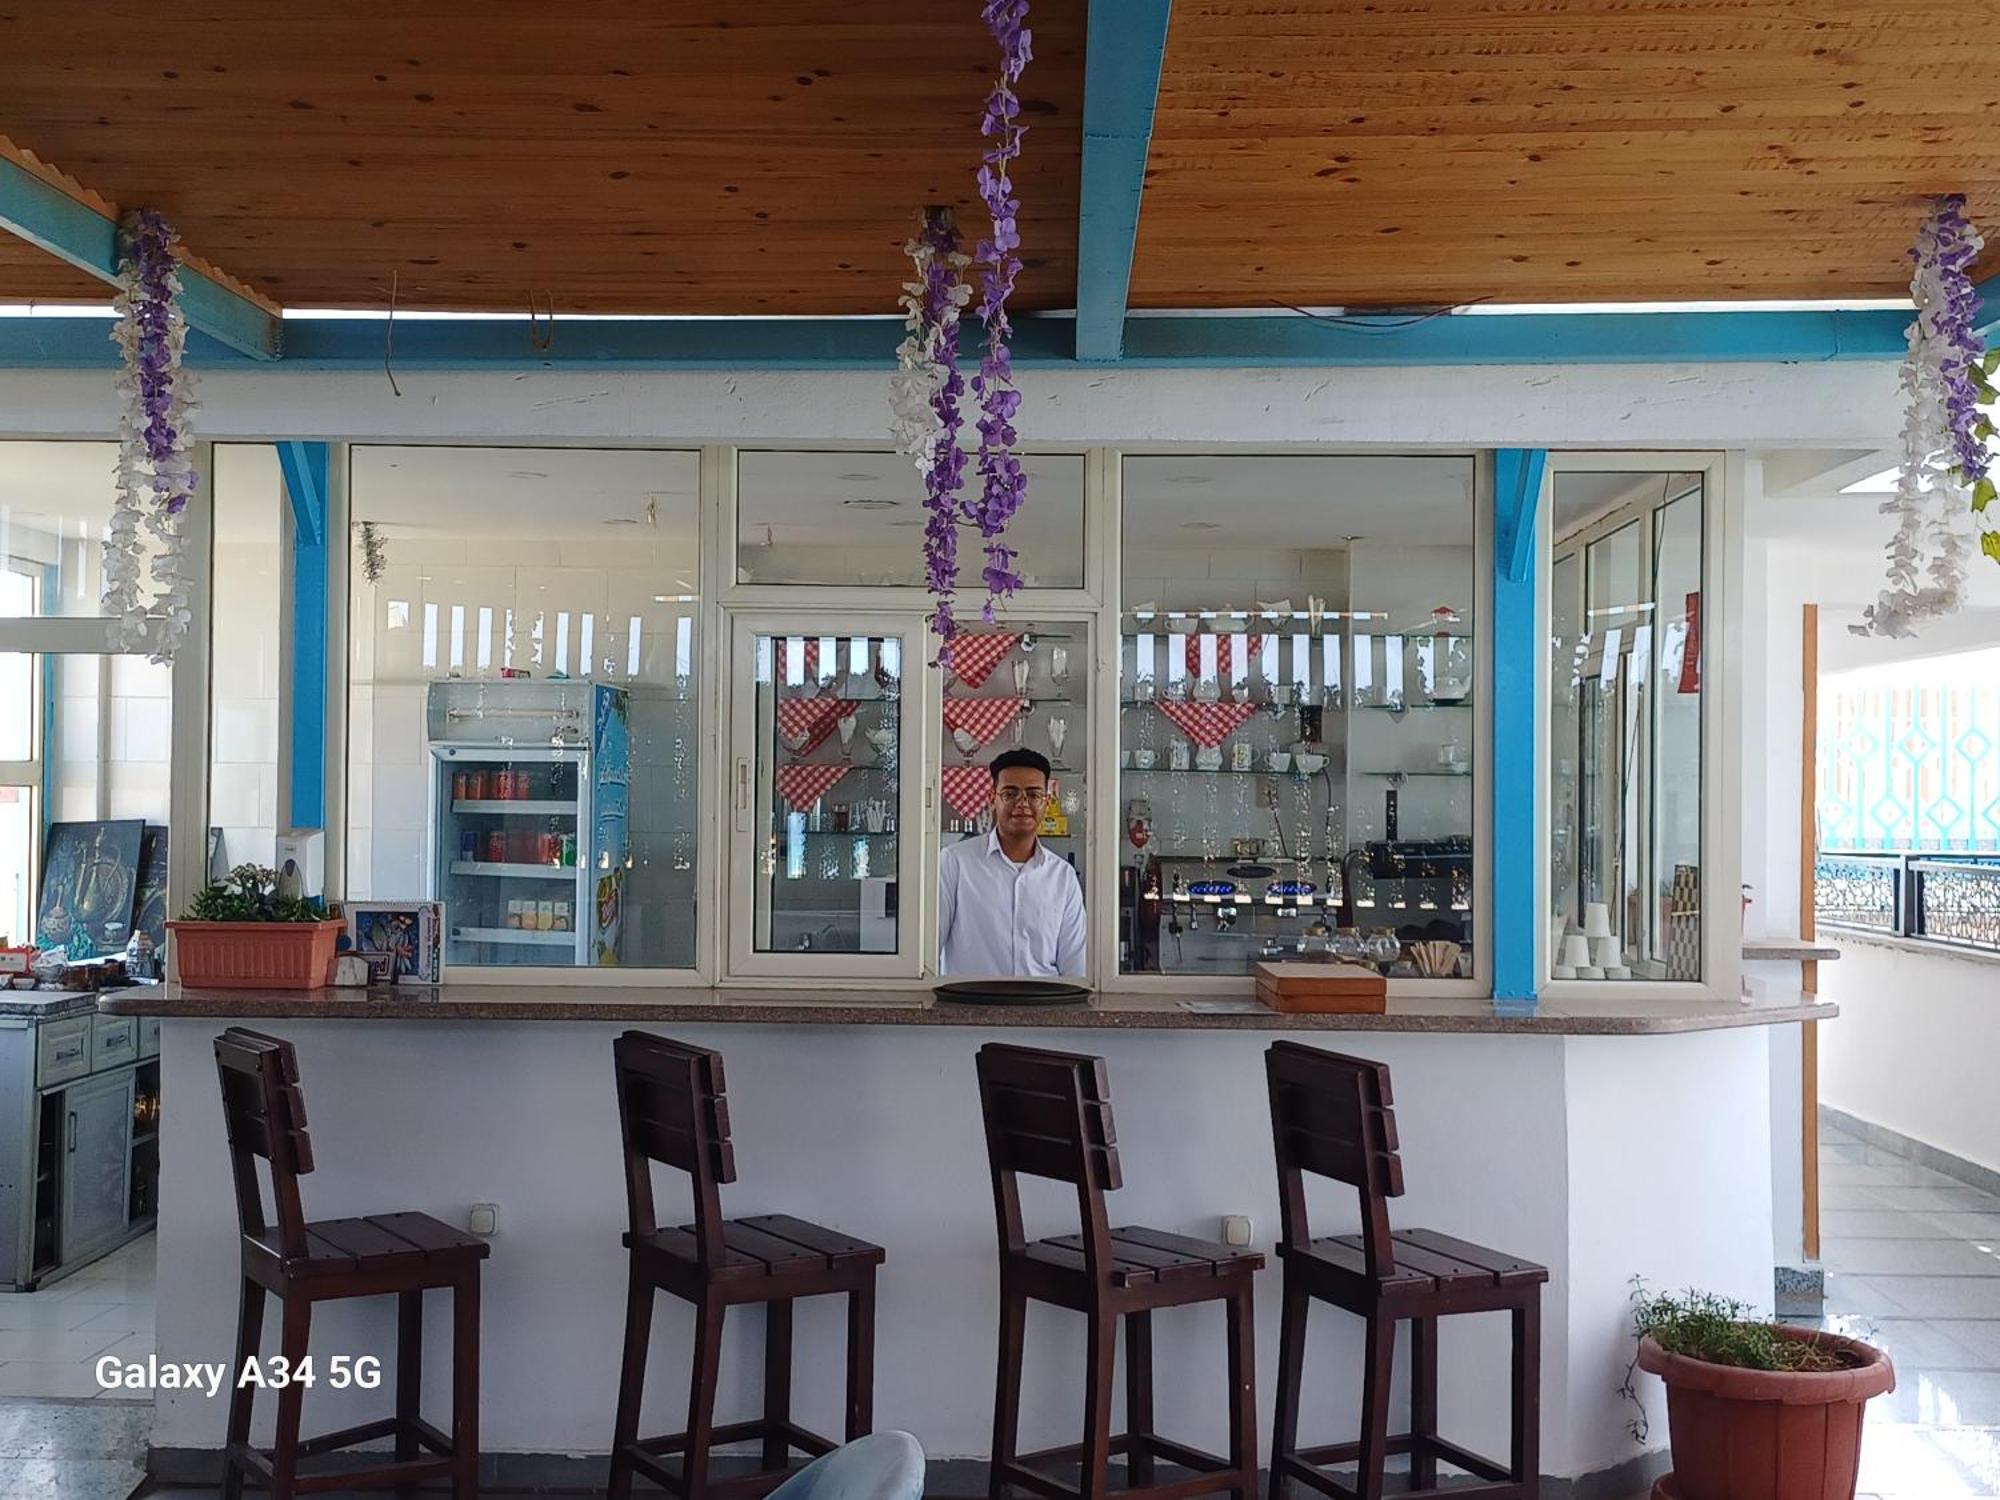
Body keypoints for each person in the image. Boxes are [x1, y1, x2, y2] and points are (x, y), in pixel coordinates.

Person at [937, 748, 1086, 978]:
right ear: (992, 799)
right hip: (970, 999)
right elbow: (927, 950)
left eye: (1033, 795)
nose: (1022, 803)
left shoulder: (1062, 877)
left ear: (1047, 802)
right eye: (1010, 793)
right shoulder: (954, 863)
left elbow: (1075, 967)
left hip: (1045, 999)